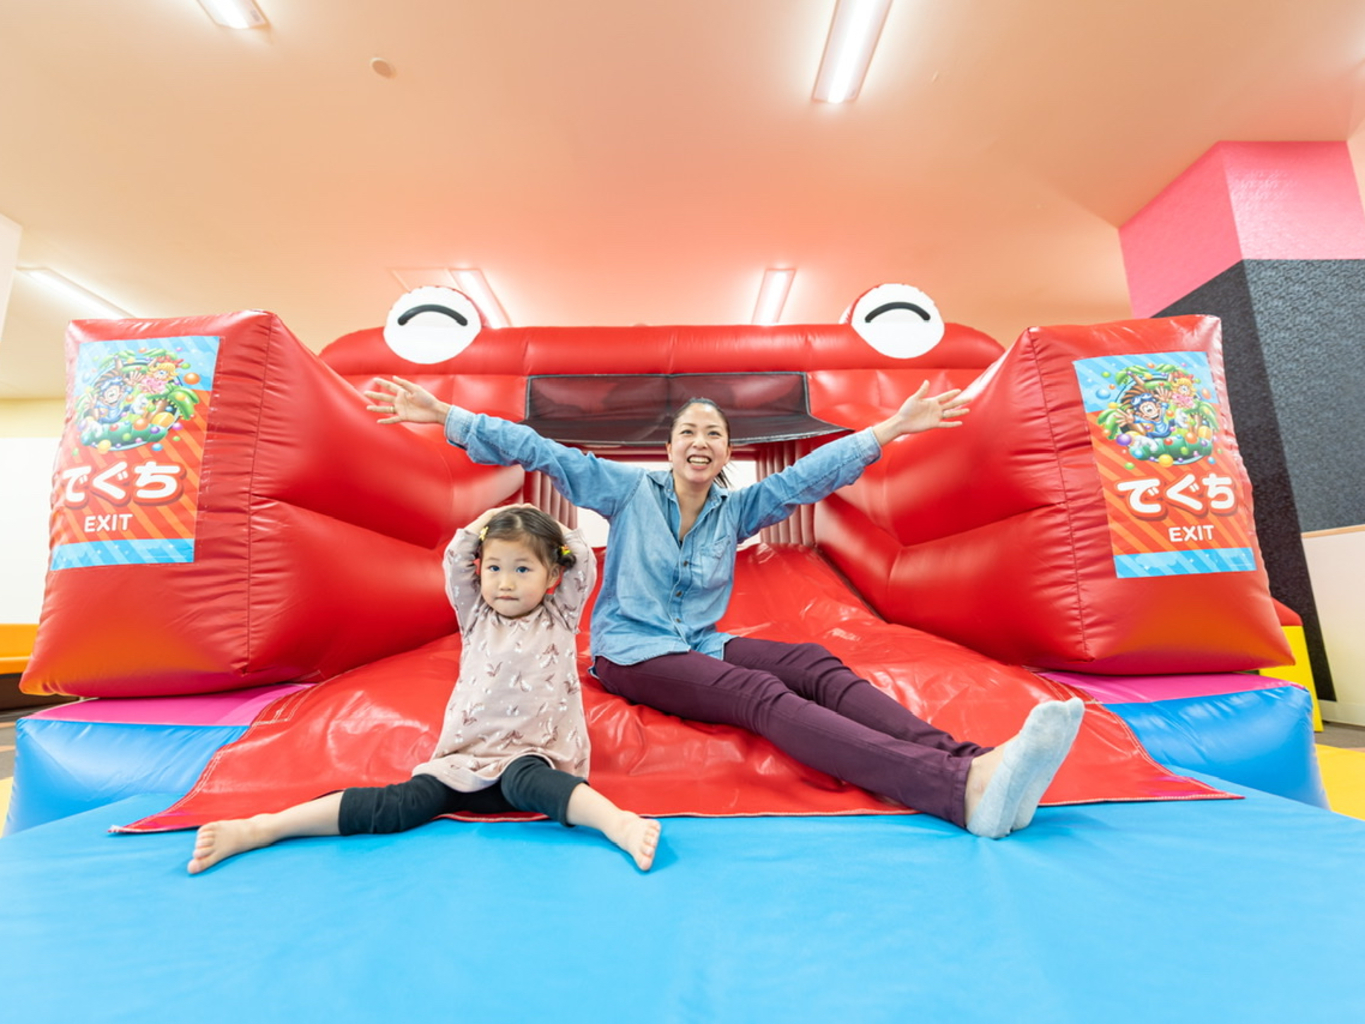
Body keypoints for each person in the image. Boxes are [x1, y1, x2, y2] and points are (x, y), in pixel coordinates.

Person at [365, 378, 1084, 839]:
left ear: (726, 454)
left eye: (713, 433)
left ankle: (973, 763)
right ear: (671, 449)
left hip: (697, 641)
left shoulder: (735, 510)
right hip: (633, 653)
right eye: (688, 432)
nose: (700, 441)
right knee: (759, 693)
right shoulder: (625, 492)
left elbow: (806, 476)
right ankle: (954, 790)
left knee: (812, 661)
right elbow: (542, 449)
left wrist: (888, 429)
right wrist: (448, 417)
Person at [188, 504, 660, 873]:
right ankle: (264, 828)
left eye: (523, 570)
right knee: (399, 805)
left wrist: (554, 529)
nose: (506, 583)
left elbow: (581, 563)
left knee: (530, 779)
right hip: (463, 765)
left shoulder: (558, 616)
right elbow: (457, 559)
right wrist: (485, 523)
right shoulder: (476, 616)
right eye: (495, 568)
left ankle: (616, 823)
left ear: (551, 578)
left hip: (532, 759)